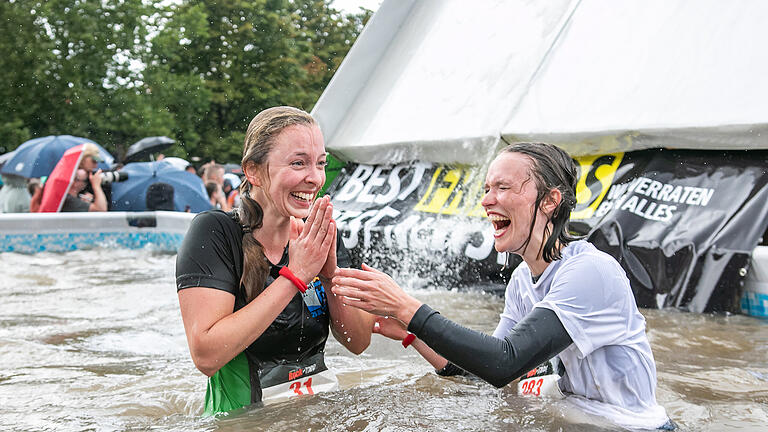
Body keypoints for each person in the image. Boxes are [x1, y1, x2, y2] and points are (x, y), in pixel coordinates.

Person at [332, 142, 674, 430]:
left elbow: (503, 364)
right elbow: (484, 372)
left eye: (503, 188)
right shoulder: (523, 279)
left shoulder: (591, 271)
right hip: (583, 419)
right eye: (486, 189)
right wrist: (412, 331)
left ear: (550, 201)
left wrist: (407, 306)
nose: (486, 201)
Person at [175, 106, 375, 416]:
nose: (314, 178)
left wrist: (330, 276)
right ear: (253, 171)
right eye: (298, 163)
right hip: (242, 422)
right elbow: (206, 355)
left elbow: (358, 342)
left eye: (320, 163)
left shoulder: (319, 234)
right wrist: (295, 275)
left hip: (313, 415)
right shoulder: (215, 232)